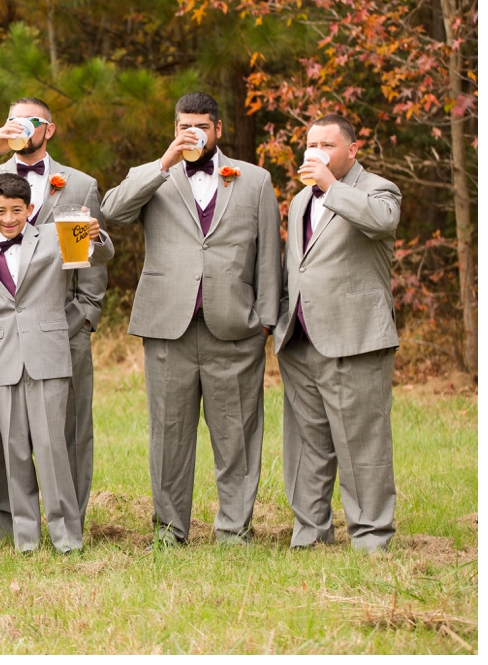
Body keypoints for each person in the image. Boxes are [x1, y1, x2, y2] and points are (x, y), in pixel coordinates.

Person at [100, 90, 281, 546]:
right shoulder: (156, 176)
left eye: (201, 125)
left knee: (236, 435)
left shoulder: (255, 180)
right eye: (184, 126)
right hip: (167, 328)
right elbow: (113, 211)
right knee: (169, 435)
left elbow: (268, 256)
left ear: (218, 129)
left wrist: (265, 320)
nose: (192, 133)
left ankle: (234, 529)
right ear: (175, 129)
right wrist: (163, 163)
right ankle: (168, 530)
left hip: (235, 328)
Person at [0, 98, 113, 543]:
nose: (8, 216)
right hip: (3, 342)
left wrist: (84, 316)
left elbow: (95, 259)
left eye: (29, 122)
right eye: (12, 120)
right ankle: (16, 530)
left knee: (63, 438)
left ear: (48, 129)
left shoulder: (79, 185)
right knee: (9, 444)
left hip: (59, 328)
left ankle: (69, 528)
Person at [275, 113, 402, 551]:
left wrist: (331, 185)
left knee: (361, 444)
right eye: (312, 145)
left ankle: (371, 537)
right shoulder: (298, 201)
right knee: (306, 444)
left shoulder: (377, 190)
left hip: (355, 338)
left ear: (353, 150)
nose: (317, 153)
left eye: (328, 145)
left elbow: (382, 221)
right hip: (301, 339)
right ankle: (310, 534)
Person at [0, 174, 97, 554]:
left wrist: (94, 234)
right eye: (1, 211)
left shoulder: (56, 238)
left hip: (48, 356)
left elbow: (97, 256)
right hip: (6, 363)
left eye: (17, 210)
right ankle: (26, 538)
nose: (9, 218)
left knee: (52, 447)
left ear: (30, 211)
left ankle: (66, 537)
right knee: (15, 451)